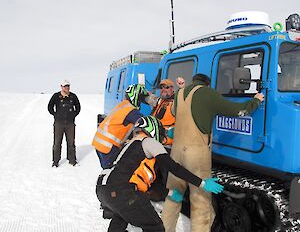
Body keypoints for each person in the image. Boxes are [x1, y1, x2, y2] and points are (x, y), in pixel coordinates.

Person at [161, 73, 265, 232]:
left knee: (174, 195)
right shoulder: (207, 93)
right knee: (200, 201)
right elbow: (237, 110)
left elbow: (175, 112)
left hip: (176, 153)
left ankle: (164, 229)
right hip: (195, 156)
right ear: (207, 84)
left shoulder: (180, 94)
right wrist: (256, 101)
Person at [96, 116, 224, 232]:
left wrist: (170, 193)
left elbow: (144, 183)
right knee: (155, 227)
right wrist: (201, 182)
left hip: (104, 189)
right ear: (154, 129)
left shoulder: (130, 145)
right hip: (121, 191)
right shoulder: (149, 142)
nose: (163, 139)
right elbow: (174, 168)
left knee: (122, 216)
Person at [92, 84, 148, 169]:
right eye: (141, 99)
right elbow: (146, 124)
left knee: (106, 171)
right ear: (136, 97)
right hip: (108, 146)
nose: (141, 102)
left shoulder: (123, 105)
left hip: (99, 143)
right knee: (112, 173)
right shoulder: (131, 111)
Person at [48, 79, 81, 167]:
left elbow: (78, 107)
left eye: (68, 86)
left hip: (70, 123)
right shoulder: (56, 96)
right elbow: (50, 107)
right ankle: (55, 161)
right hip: (59, 123)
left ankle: (72, 160)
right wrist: (55, 115)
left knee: (71, 142)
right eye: (65, 86)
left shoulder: (73, 96)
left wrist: (74, 115)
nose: (67, 88)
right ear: (61, 87)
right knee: (57, 142)